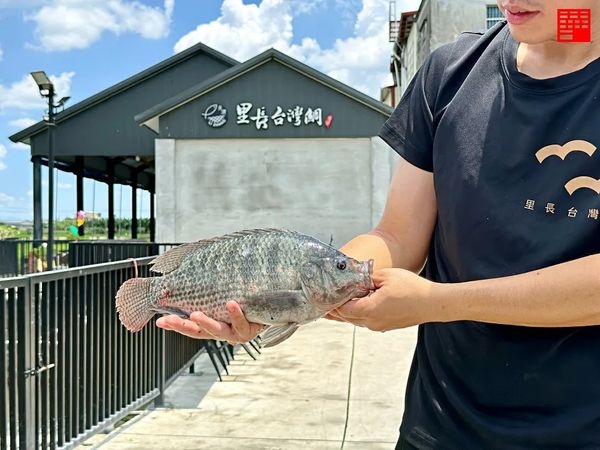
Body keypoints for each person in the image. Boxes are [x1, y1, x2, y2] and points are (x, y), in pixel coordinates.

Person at [156, 0, 600, 447]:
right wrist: (308, 287)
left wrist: (439, 302)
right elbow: (396, 235)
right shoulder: (450, 73)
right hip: (441, 424)